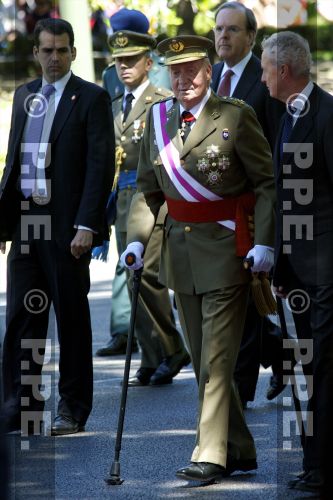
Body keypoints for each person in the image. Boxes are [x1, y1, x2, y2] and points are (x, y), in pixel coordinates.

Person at [121, 34, 276, 481]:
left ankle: (208, 453)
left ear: (209, 71)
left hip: (228, 252)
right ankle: (239, 449)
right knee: (206, 358)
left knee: (214, 362)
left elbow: (265, 184)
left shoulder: (234, 116)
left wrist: (265, 241)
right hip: (179, 257)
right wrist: (136, 239)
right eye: (175, 71)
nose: (183, 79)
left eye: (191, 70)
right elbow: (148, 191)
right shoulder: (158, 118)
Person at [0, 18, 114, 436]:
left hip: (67, 226)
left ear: (73, 53)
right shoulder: (25, 95)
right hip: (27, 223)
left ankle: (73, 407)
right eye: (46, 50)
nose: (54, 57)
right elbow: (14, 161)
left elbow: (100, 168)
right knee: (21, 320)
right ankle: (20, 404)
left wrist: (88, 224)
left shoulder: (90, 99)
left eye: (61, 50)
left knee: (70, 318)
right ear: (35, 53)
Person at [261, 31, 333, 495]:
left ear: (285, 71)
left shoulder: (327, 116)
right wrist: (284, 270)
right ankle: (314, 463)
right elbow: (288, 200)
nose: (262, 77)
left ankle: (323, 467)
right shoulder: (286, 115)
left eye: (266, 69)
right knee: (308, 367)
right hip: (301, 273)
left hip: (326, 272)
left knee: (323, 368)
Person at [105, 15, 190, 386]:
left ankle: (172, 348)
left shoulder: (162, 102)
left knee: (148, 276)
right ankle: (152, 352)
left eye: (132, 60)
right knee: (130, 272)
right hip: (122, 198)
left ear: (147, 62)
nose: (125, 67)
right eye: (119, 62)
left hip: (150, 199)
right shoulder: (114, 102)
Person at [211, 0, 286, 407]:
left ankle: (233, 408)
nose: (223, 36)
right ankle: (279, 352)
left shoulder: (264, 80)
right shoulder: (210, 77)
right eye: (219, 29)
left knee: (241, 307)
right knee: (240, 305)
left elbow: (274, 153)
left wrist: (271, 227)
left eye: (233, 29)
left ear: (251, 36)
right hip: (213, 216)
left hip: (252, 213)